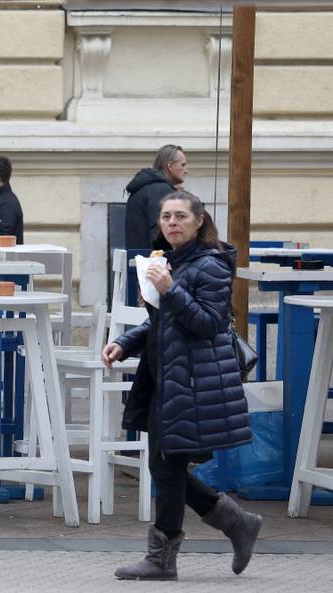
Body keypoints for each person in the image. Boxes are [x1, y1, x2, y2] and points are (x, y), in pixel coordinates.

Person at [102, 191, 261, 581]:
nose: (172, 223)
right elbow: (162, 322)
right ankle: (235, 522)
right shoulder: (170, 261)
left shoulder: (211, 265)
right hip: (165, 376)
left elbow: (208, 323)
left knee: (166, 464)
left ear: (199, 221)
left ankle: (165, 556)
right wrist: (126, 342)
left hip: (191, 379)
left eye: (180, 217)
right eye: (166, 217)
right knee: (165, 464)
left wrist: (170, 290)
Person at [125, 145, 188, 249]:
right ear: (170, 166)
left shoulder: (143, 187)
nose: (186, 170)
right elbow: (161, 233)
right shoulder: (162, 190)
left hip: (140, 260)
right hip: (156, 262)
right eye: (183, 165)